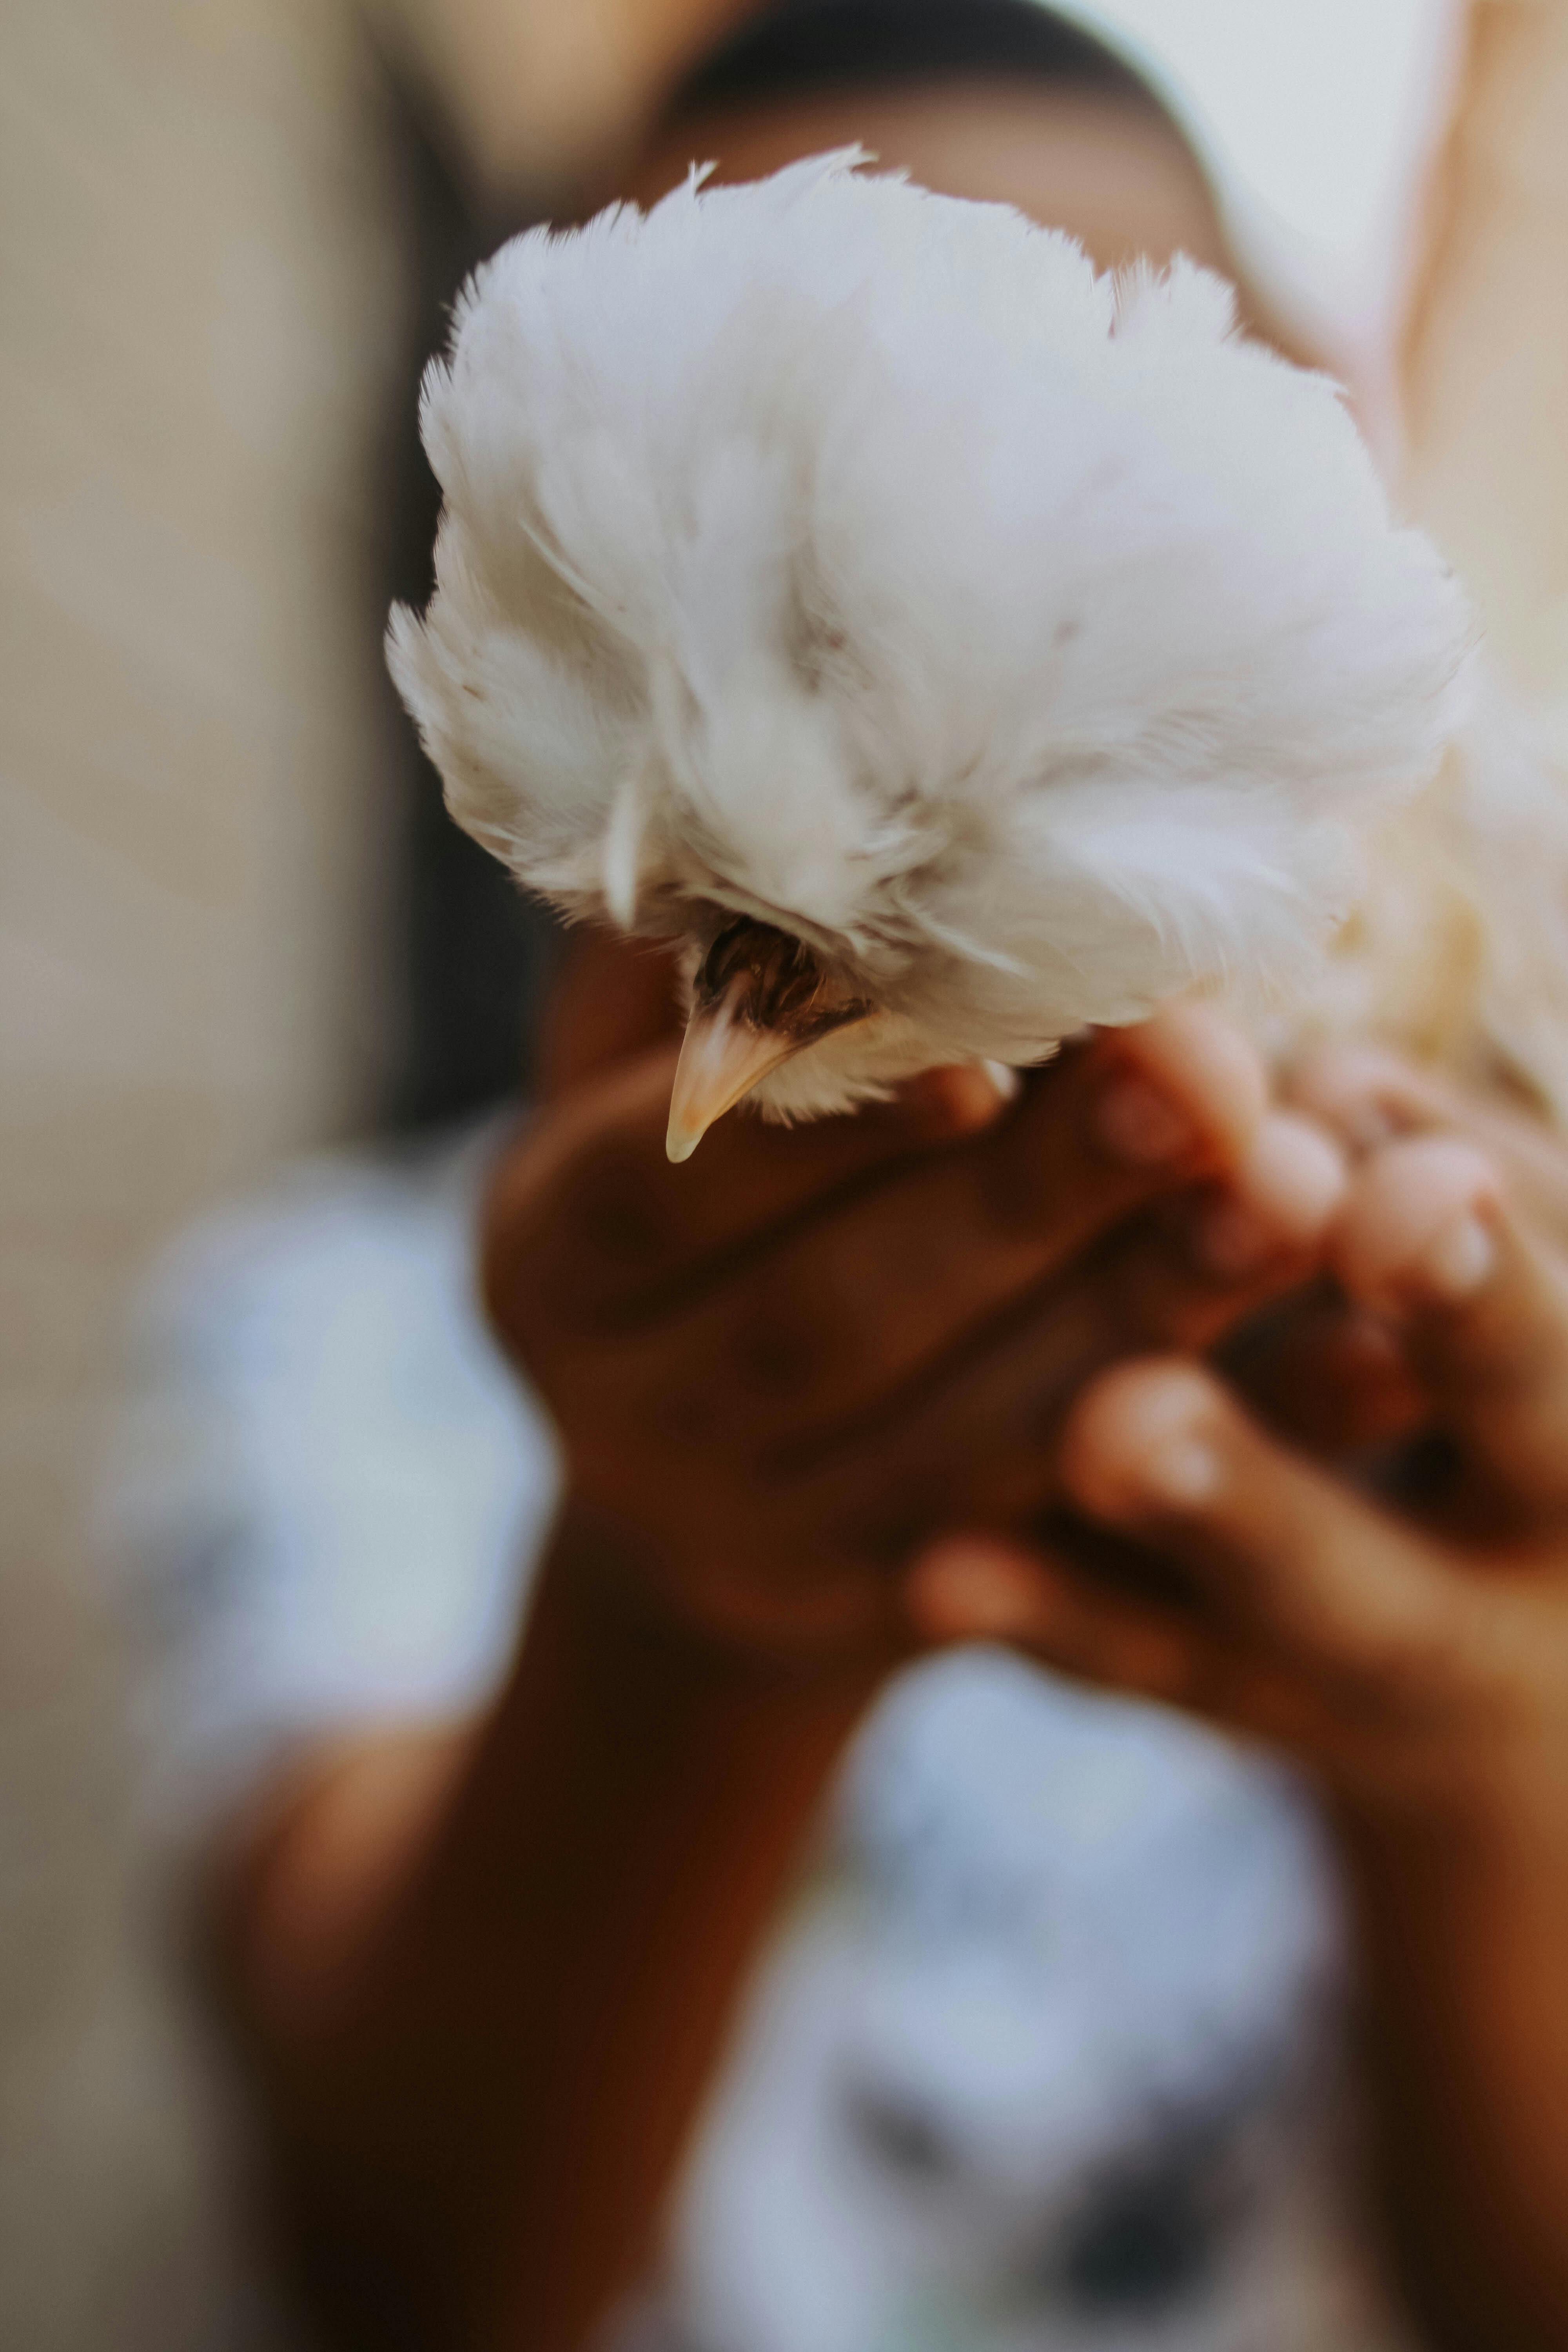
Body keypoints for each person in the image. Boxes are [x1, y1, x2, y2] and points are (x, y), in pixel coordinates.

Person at [131, 7, 1568, 2349]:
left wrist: (1482, 1738)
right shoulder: (332, 1336)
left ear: (1326, 439)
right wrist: (678, 1624)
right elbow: (398, 2272)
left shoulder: (1518, 1252)